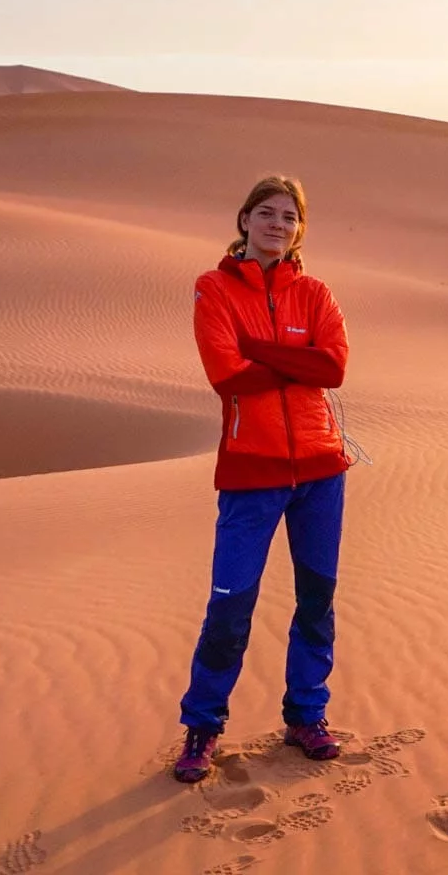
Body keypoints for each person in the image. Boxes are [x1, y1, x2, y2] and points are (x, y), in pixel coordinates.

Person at [173, 175, 353, 784]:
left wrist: (261, 349)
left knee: (316, 602)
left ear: (299, 229)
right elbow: (227, 375)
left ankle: (307, 715)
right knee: (230, 606)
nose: (278, 225)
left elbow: (333, 368)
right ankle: (202, 725)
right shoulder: (214, 288)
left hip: (322, 469)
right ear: (245, 219)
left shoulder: (317, 293)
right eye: (267, 213)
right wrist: (286, 361)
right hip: (251, 471)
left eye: (290, 217)